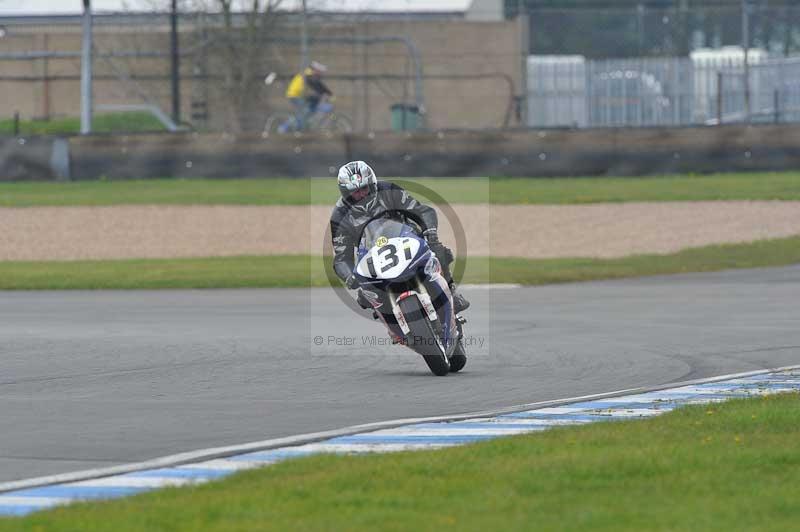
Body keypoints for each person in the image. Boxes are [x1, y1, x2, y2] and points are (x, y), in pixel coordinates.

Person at [330, 160, 470, 314]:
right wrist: (351, 277)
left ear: (372, 184)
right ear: (345, 193)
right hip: (373, 259)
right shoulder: (339, 216)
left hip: (407, 240)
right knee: (365, 296)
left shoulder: (389, 190)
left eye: (364, 188)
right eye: (355, 192)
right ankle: (393, 329)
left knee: (438, 250)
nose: (361, 194)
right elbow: (341, 258)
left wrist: (430, 233)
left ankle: (451, 293)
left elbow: (422, 211)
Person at [279, 61, 333, 133]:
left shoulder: (313, 76)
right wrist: (324, 93)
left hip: (301, 95)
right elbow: (315, 85)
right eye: (320, 71)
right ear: (316, 70)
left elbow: (320, 85)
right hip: (294, 95)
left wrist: (329, 93)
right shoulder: (308, 75)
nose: (321, 73)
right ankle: (285, 127)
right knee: (305, 111)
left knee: (312, 106)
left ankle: (303, 125)